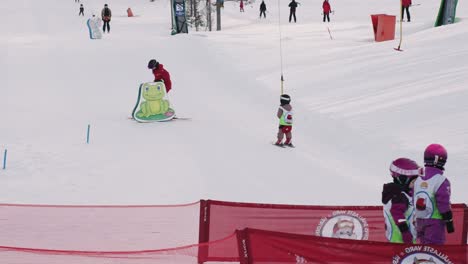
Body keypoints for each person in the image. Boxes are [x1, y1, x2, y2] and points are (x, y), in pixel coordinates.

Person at [414, 144, 454, 244]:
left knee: (422, 247)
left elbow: (412, 196)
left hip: (419, 219)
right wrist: (448, 220)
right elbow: (443, 202)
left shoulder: (417, 179)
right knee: (434, 249)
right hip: (435, 222)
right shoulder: (441, 181)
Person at [382, 158, 420, 244]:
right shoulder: (399, 196)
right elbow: (396, 213)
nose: (415, 185)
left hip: (404, 241)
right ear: (403, 179)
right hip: (400, 241)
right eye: (413, 182)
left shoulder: (404, 195)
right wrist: (405, 232)